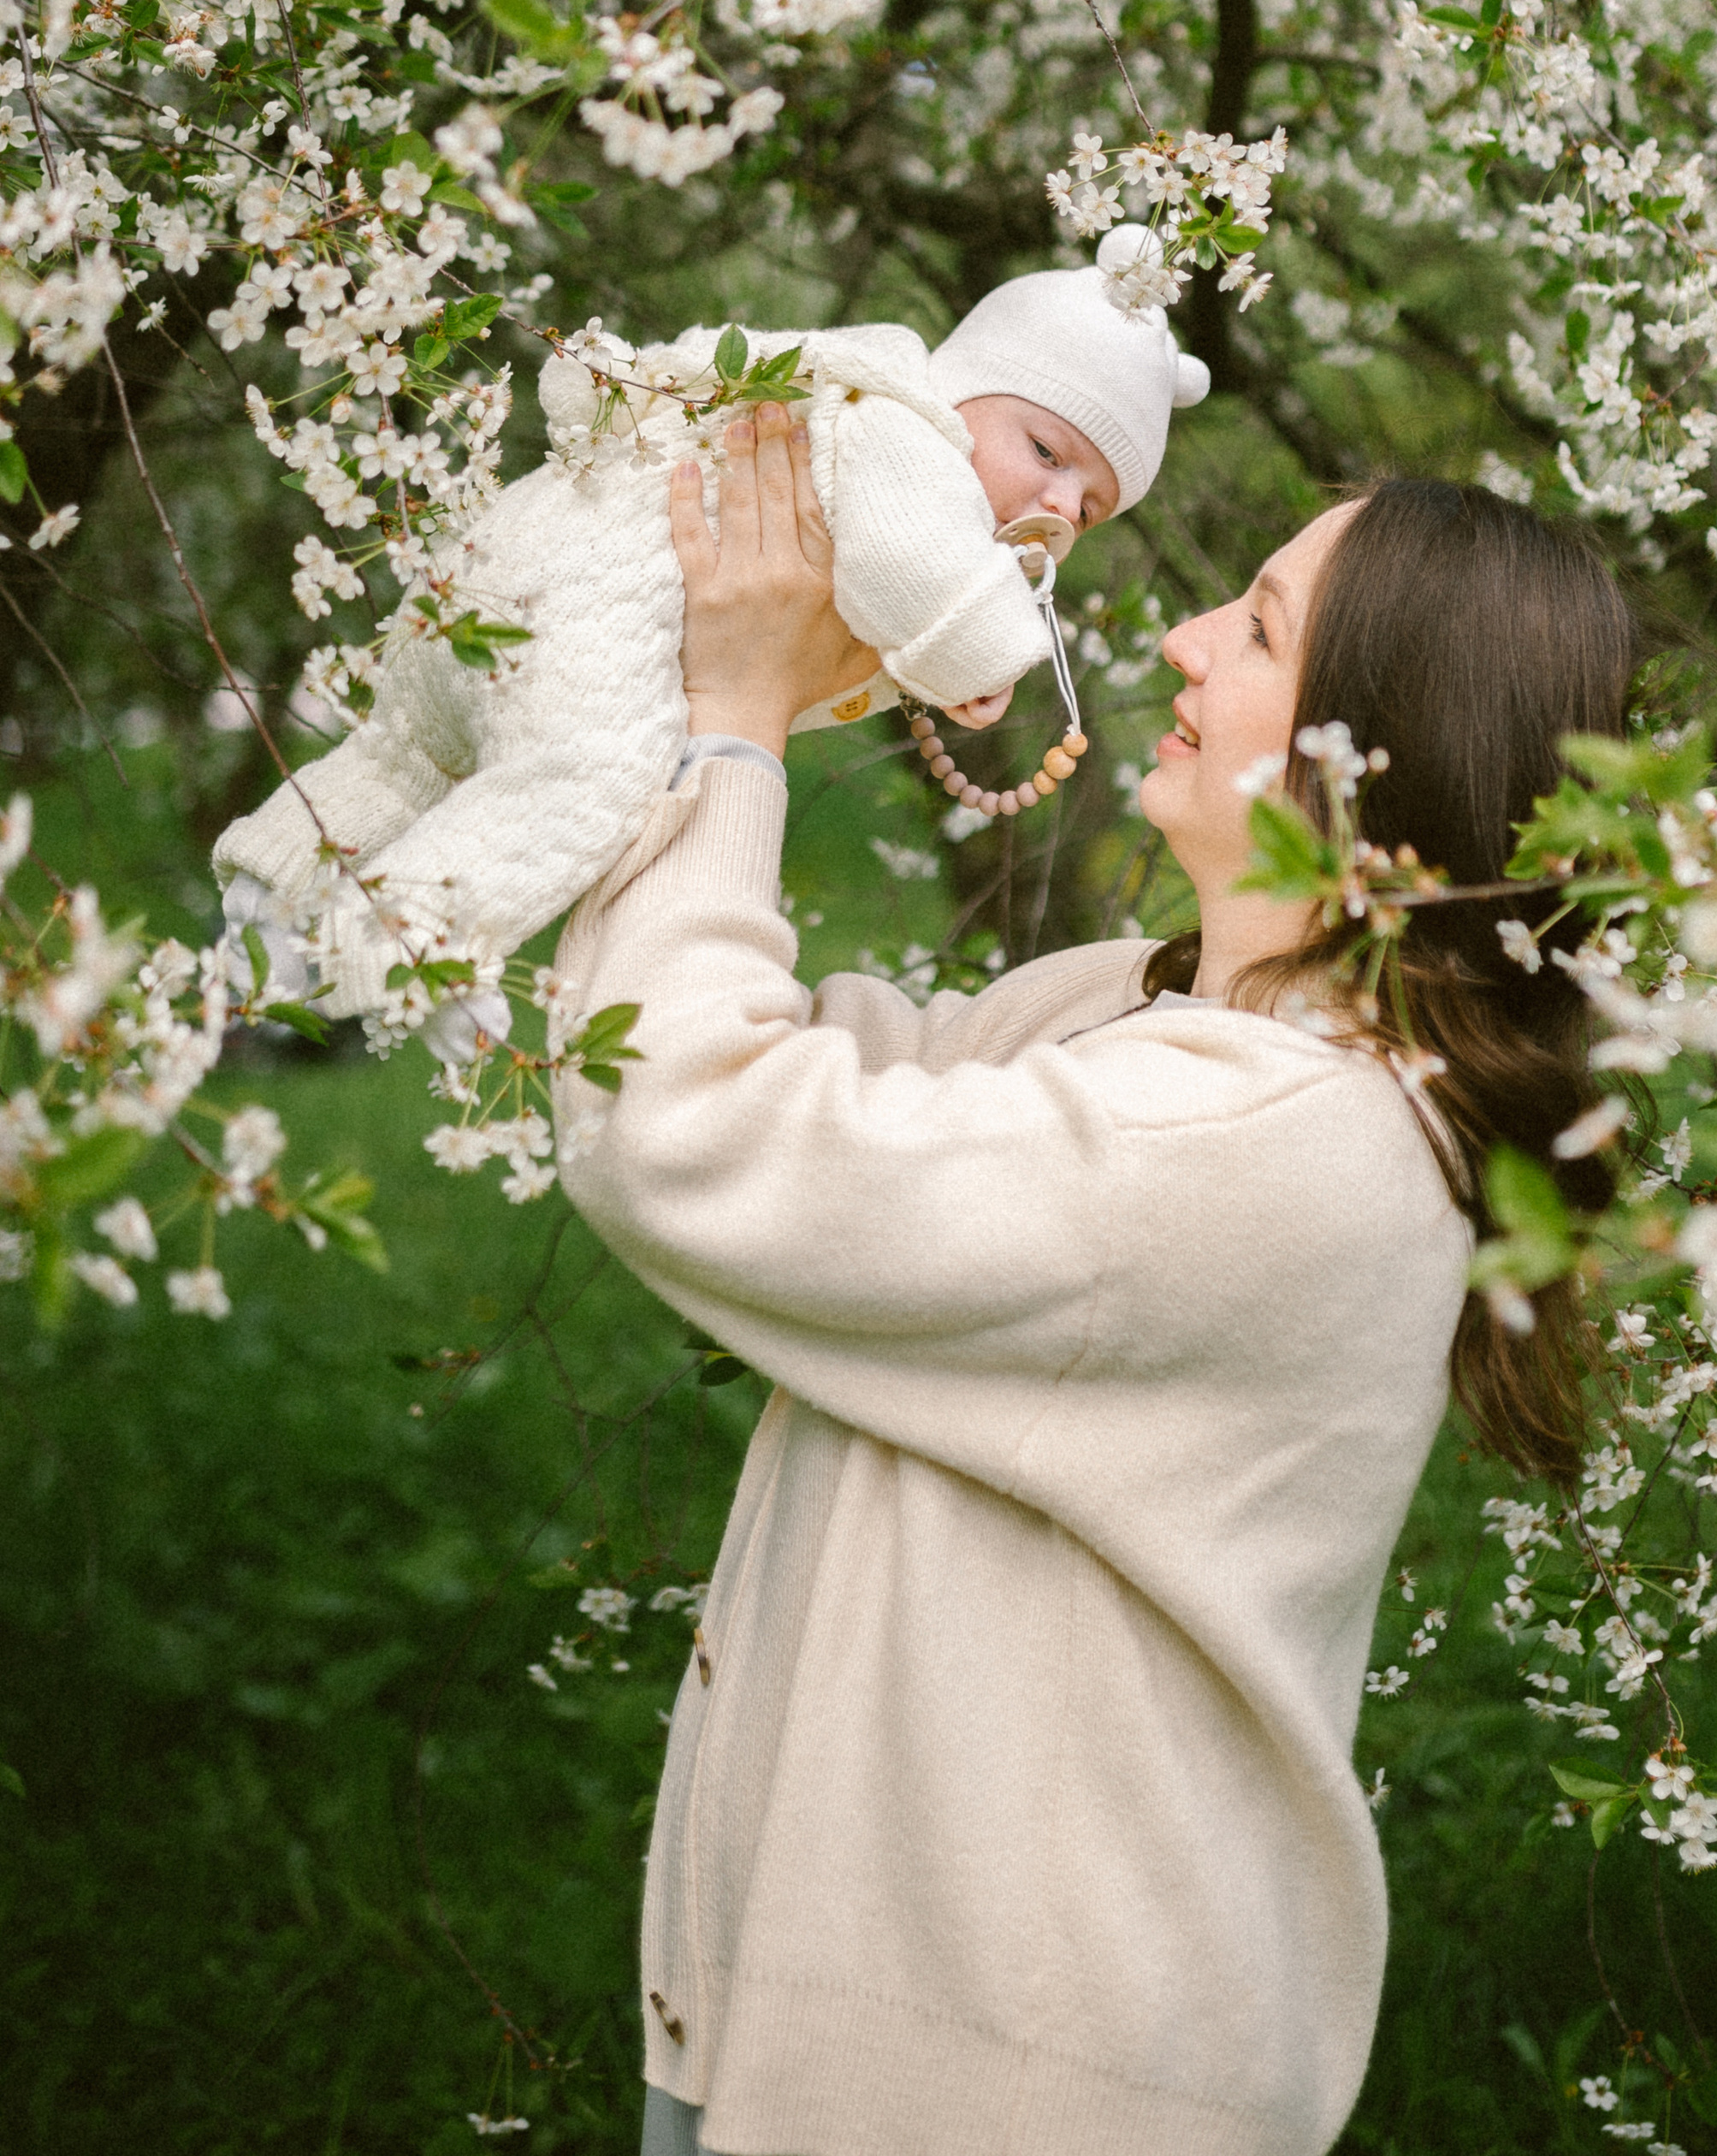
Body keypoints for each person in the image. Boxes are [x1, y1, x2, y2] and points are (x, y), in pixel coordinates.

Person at [552, 407, 1637, 2156]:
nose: (1185, 638)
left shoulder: (1274, 1139)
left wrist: (738, 723)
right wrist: (743, 666)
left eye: (1262, 627)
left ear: (1383, 752)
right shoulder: (1128, 1015)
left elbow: (686, 1122)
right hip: (841, 2027)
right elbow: (740, 1047)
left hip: (991, 2084)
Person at [212, 224, 1206, 1040]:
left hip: (488, 577)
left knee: (406, 749)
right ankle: (406, 945)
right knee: (587, 781)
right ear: (966, 387)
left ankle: (271, 875)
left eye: (1093, 505)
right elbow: (918, 573)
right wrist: (981, 660)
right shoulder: (907, 432)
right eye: (1046, 451)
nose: (1063, 504)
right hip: (588, 615)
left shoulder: (833, 387)